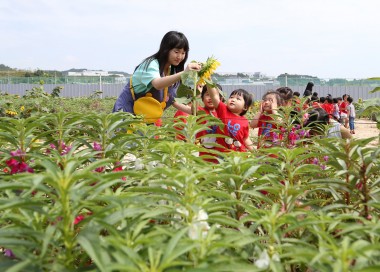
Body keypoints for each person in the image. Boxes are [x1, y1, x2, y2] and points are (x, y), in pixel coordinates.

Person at [112, 31, 201, 121]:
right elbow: (157, 84)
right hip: (126, 114)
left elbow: (190, 111)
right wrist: (184, 73)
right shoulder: (151, 64)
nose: (180, 56)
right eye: (176, 51)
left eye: (183, 53)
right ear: (166, 49)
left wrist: (197, 92)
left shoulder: (170, 73)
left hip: (143, 120)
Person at [207, 86, 254, 152]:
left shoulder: (245, 121)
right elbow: (214, 96)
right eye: (231, 97)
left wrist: (255, 152)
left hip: (239, 155)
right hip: (223, 154)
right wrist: (208, 80)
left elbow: (245, 139)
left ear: (245, 107)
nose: (233, 99)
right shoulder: (223, 110)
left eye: (238, 99)